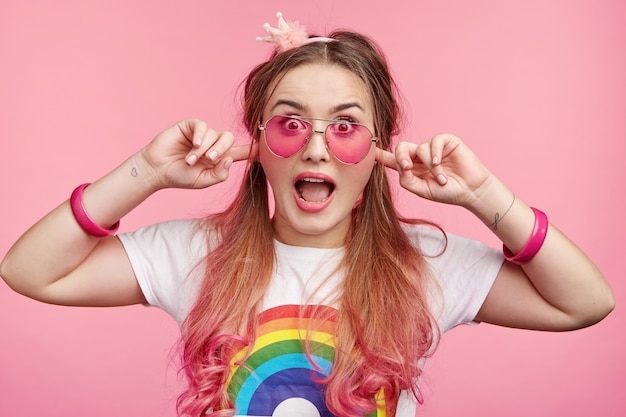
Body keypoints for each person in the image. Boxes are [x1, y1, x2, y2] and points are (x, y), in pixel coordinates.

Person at [0, 12, 615, 417]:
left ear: (379, 151)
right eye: (290, 124)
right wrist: (146, 171)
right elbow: (31, 272)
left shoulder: (425, 264)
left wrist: (483, 195)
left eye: (346, 127)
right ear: (258, 144)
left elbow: (585, 302)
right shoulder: (194, 253)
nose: (317, 147)